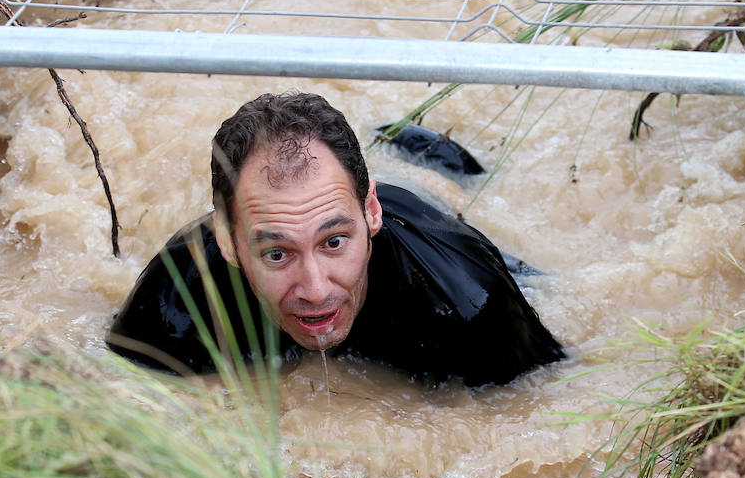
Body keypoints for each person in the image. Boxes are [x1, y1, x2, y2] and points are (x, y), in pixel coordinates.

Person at [106, 92, 566, 387]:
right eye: (277, 252)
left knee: (458, 177)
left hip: (425, 224)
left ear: (370, 214)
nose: (317, 289)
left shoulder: (467, 301)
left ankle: (410, 144)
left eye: (333, 243)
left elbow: (540, 403)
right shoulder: (174, 302)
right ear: (228, 242)